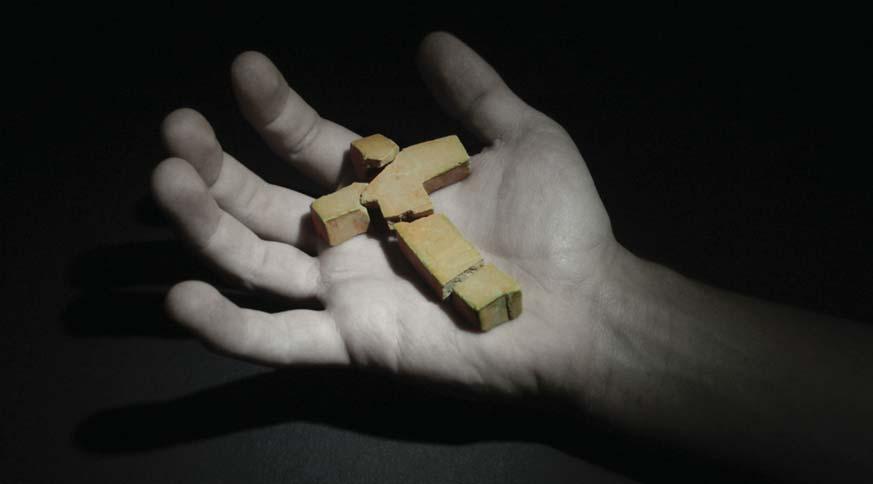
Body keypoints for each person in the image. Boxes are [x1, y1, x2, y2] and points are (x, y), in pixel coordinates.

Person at [150, 32, 872, 482]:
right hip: (422, 236)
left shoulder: (409, 171)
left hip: (450, 248)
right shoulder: (366, 192)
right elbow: (352, 203)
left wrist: (600, 301)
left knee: (468, 274)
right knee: (456, 269)